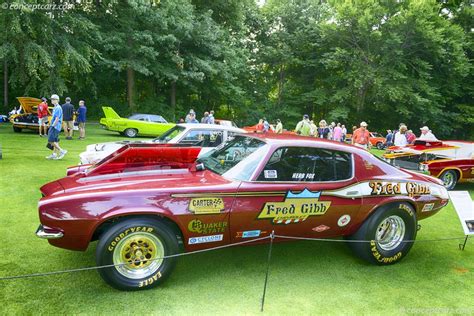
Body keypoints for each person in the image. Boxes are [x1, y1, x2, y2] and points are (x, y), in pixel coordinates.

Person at [46, 94, 67, 160]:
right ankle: (54, 154)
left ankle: (62, 151)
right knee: (55, 140)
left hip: (55, 127)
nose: (52, 100)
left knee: (50, 140)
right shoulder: (55, 107)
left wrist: (52, 126)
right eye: (51, 99)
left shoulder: (58, 108)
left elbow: (57, 118)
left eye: (53, 99)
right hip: (55, 126)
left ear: (57, 100)